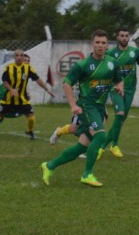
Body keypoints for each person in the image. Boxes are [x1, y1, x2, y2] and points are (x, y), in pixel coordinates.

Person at [40, 30, 124, 187]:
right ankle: (87, 174)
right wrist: (73, 105)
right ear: (92, 44)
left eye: (103, 43)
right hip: (86, 105)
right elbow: (67, 83)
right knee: (100, 137)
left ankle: (49, 166)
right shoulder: (83, 65)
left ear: (107, 45)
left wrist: (120, 86)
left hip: (100, 108)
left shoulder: (112, 63)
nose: (100, 46)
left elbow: (118, 80)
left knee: (82, 147)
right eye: (97, 42)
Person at [0, 50, 55, 139]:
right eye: (17, 55)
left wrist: (47, 89)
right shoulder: (9, 68)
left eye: (21, 55)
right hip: (8, 99)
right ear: (14, 57)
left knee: (31, 117)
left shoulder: (28, 69)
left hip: (22, 100)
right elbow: (5, 81)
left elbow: (37, 79)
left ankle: (29, 131)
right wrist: (11, 89)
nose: (19, 57)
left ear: (23, 57)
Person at [95, 26, 139, 158]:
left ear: (129, 37)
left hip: (130, 89)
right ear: (117, 37)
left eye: (126, 35)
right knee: (119, 114)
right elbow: (103, 68)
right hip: (116, 89)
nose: (124, 38)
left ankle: (102, 147)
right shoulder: (111, 54)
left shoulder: (135, 52)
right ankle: (114, 145)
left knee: (121, 119)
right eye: (122, 35)